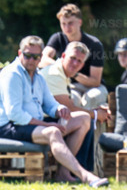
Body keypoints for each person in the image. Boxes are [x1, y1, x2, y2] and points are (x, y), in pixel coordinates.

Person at [0, 35, 107, 188]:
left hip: (29, 124)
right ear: (20, 54)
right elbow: (15, 114)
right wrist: (45, 124)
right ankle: (86, 176)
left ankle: (63, 173)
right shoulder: (13, 75)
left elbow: (50, 104)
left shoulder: (38, 76)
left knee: (83, 119)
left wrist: (60, 110)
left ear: (40, 58)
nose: (31, 60)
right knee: (53, 132)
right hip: (7, 127)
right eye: (27, 55)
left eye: (36, 56)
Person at [40, 41, 105, 172]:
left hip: (48, 121)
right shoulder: (54, 74)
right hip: (39, 124)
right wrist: (97, 114)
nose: (75, 63)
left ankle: (76, 171)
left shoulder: (62, 73)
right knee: (84, 119)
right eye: (72, 58)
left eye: (79, 61)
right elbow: (68, 108)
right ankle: (70, 171)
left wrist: (94, 113)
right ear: (63, 56)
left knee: (85, 119)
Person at [39, 3, 108, 109]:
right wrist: (64, 67)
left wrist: (73, 73)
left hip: (94, 88)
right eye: (63, 24)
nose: (67, 27)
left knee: (90, 99)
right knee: (72, 101)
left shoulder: (94, 44)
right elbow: (42, 59)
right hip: (71, 86)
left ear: (79, 22)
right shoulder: (58, 38)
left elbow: (95, 81)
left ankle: (89, 124)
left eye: (70, 23)